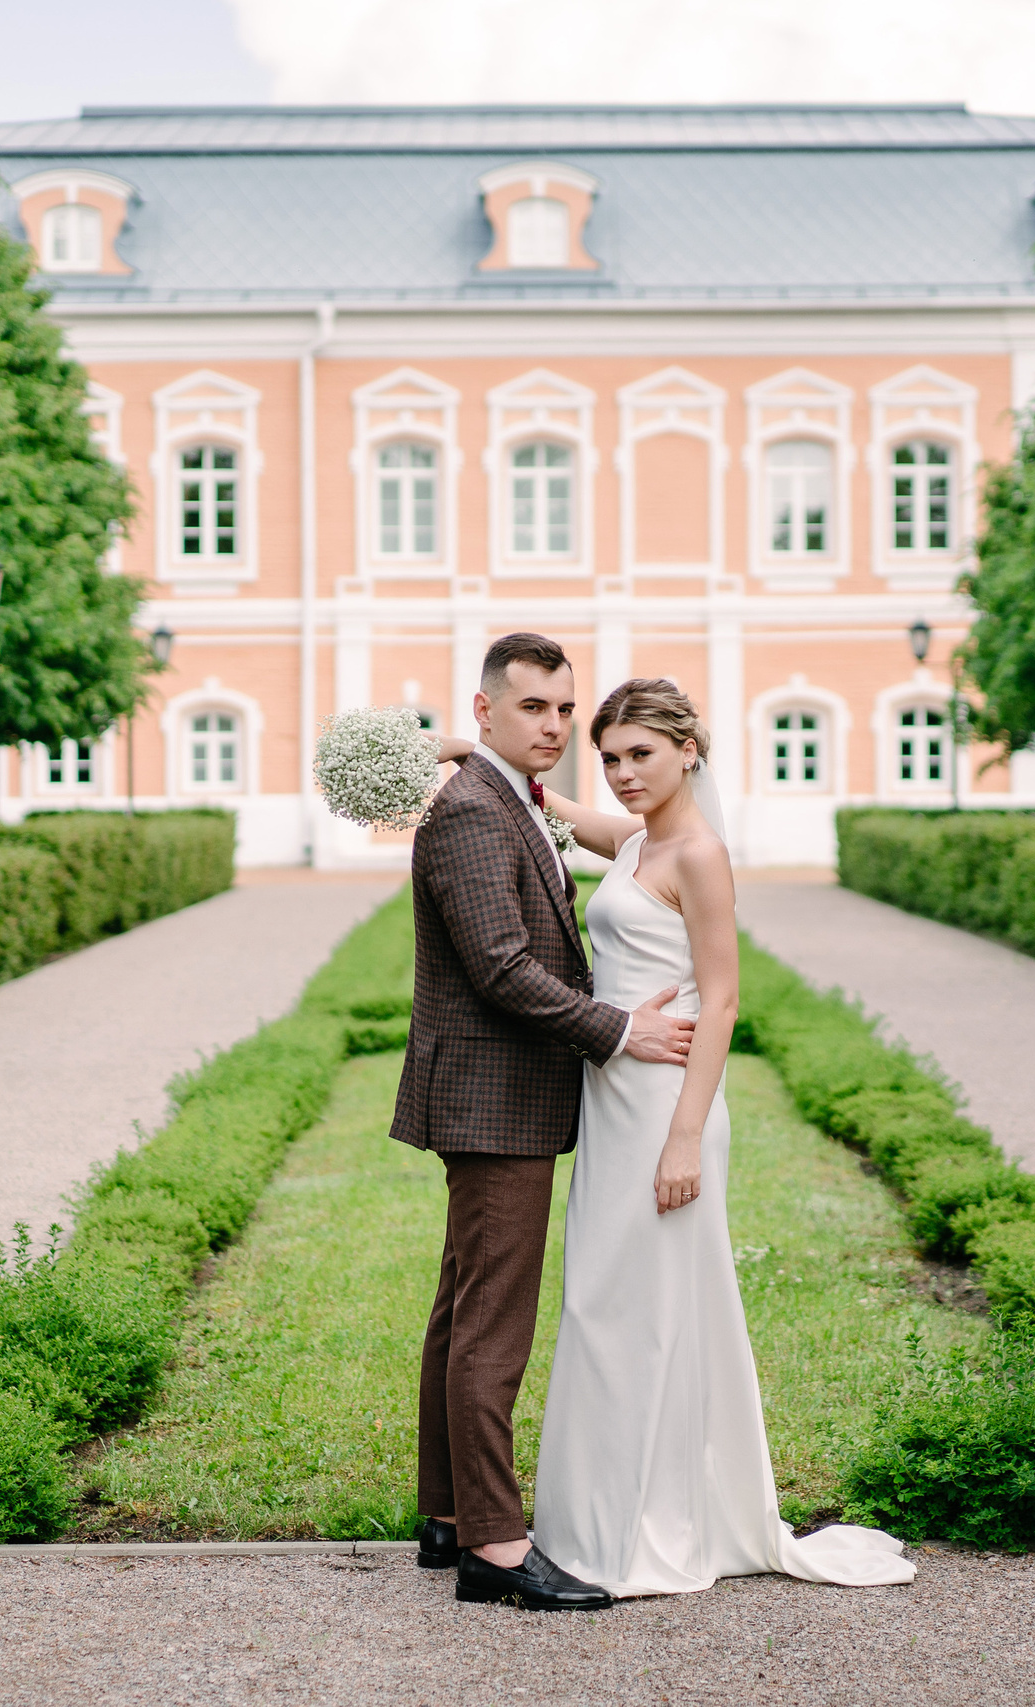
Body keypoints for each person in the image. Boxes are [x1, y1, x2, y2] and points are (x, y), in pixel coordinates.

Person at [519, 678, 916, 1597]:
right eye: (609, 757)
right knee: (602, 1305)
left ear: (688, 750)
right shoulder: (638, 839)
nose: (622, 772)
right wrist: (479, 759)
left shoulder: (697, 853)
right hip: (614, 1099)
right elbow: (569, 815)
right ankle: (599, 1517)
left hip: (668, 1106)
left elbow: (725, 999)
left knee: (654, 1312)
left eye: (641, 754)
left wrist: (685, 1138)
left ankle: (654, 1526)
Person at [392, 633, 696, 1612]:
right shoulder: (473, 812)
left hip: (498, 1094)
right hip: (494, 1100)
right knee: (493, 1325)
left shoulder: (503, 794)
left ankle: (448, 1515)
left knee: (462, 1308)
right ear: (486, 710)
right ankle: (494, 1545)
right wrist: (619, 1030)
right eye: (533, 707)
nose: (557, 726)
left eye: (565, 708)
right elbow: (501, 968)